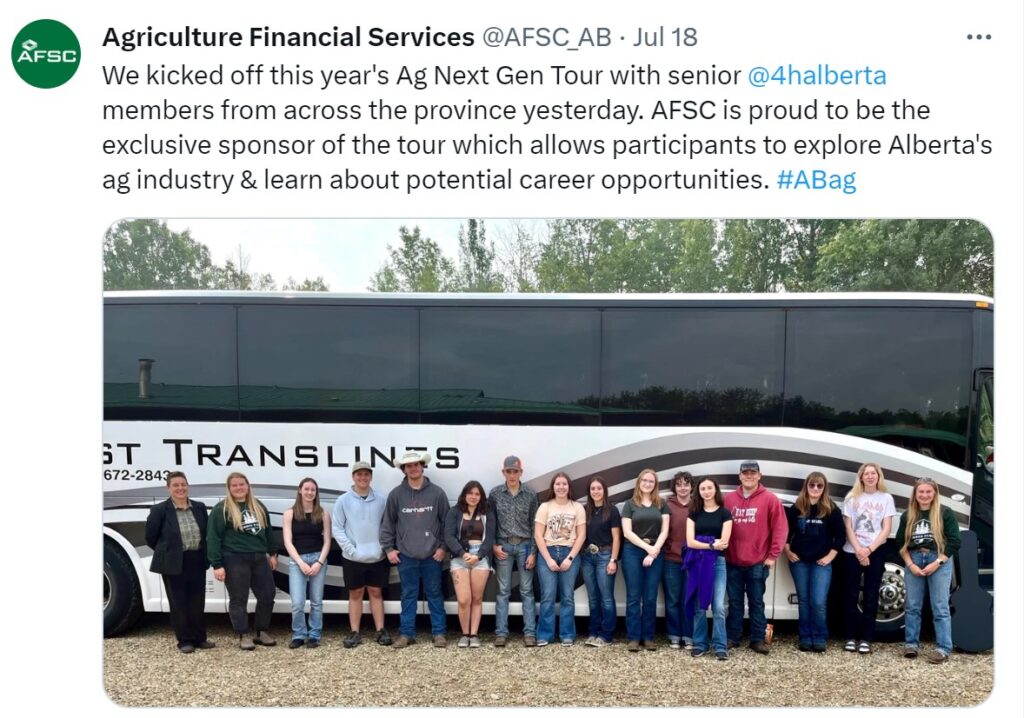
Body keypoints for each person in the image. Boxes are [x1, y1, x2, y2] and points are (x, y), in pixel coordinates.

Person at [380, 450, 450, 649]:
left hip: (432, 555)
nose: (413, 468)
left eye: (416, 464)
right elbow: (388, 525)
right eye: (409, 466)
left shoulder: (437, 493)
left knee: (435, 593)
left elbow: (447, 523)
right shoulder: (396, 495)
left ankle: (439, 633)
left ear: (422, 466)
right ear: (404, 469)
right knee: (408, 594)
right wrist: (389, 549)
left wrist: (443, 547)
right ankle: (406, 633)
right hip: (406, 556)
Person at [144, 471, 215, 654]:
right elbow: (151, 538)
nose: (180, 488)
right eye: (175, 485)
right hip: (173, 562)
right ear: (168, 488)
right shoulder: (159, 510)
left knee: (197, 601)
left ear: (188, 486)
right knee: (178, 603)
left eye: (183, 484)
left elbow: (205, 533)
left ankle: (200, 638)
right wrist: (169, 552)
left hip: (197, 559)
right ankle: (184, 640)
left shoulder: (199, 507)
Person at [207, 472, 279, 650]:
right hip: (234, 558)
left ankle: (261, 631)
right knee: (239, 599)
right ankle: (243, 634)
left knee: (268, 595)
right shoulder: (221, 509)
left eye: (242, 484)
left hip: (259, 557)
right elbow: (213, 538)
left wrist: (273, 553)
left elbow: (268, 531)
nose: (239, 488)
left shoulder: (258, 505)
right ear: (229, 488)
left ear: (248, 486)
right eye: (235, 485)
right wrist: (217, 564)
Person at [724, 460, 787, 655]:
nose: (749, 476)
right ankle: (733, 637)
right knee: (734, 602)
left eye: (753, 473)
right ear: (740, 476)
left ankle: (757, 639)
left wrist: (772, 555)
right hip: (732, 561)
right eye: (745, 473)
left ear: (760, 476)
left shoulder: (770, 499)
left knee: (756, 602)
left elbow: (780, 529)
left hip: (758, 563)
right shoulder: (728, 499)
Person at [897, 477, 961, 664]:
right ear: (915, 494)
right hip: (914, 558)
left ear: (934, 493)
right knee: (912, 606)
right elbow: (900, 543)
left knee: (940, 606)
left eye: (928, 491)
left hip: (938, 558)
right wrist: (911, 565)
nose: (924, 495)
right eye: (921, 492)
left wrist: (937, 563)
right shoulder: (908, 515)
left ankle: (943, 648)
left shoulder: (945, 513)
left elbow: (955, 541)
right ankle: (911, 644)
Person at [331, 461, 392, 648]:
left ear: (371, 477)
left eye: (366, 474)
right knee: (355, 593)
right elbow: (337, 529)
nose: (362, 478)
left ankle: (380, 630)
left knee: (376, 592)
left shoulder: (382, 499)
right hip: (352, 558)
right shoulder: (343, 500)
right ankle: (354, 632)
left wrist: (383, 548)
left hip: (377, 557)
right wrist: (351, 550)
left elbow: (387, 526)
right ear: (353, 477)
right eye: (359, 475)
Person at [784, 471, 845, 652]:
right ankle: (805, 636)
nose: (815, 489)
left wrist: (830, 556)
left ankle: (819, 636)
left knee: (818, 601)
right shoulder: (797, 508)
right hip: (799, 562)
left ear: (824, 488)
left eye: (820, 486)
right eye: (812, 485)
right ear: (806, 486)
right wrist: (787, 551)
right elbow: (786, 533)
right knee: (803, 601)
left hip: (821, 563)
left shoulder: (831, 509)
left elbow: (841, 536)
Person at [841, 462, 897, 654]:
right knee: (850, 595)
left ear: (879, 477)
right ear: (861, 477)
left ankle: (866, 638)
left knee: (872, 595)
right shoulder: (851, 497)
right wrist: (859, 550)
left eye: (874, 473)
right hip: (851, 551)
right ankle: (849, 637)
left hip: (876, 551)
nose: (870, 477)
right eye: (867, 474)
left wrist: (868, 550)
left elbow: (887, 528)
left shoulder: (886, 498)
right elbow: (848, 526)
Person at [489, 455, 539, 647]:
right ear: (503, 472)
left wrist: (534, 552)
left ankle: (529, 633)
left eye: (515, 471)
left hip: (525, 546)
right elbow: (491, 523)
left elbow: (535, 525)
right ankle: (501, 633)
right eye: (508, 471)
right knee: (503, 591)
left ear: (520, 472)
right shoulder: (495, 494)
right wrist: (493, 545)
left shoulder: (530, 494)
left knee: (527, 590)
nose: (512, 475)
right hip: (504, 546)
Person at [534, 471, 587, 647]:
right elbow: (538, 535)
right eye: (558, 484)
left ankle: (567, 634)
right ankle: (544, 634)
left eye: (564, 484)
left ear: (569, 487)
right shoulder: (545, 507)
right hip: (547, 552)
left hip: (569, 553)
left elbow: (581, 536)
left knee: (567, 596)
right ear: (553, 487)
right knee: (547, 596)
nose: (561, 487)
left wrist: (570, 558)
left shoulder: (577, 508)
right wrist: (548, 559)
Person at [620, 468, 670, 651]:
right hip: (632, 552)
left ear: (655, 484)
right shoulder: (629, 505)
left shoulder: (662, 504)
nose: (647, 484)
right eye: (644, 481)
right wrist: (648, 548)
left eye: (651, 481)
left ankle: (648, 637)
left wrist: (654, 550)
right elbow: (627, 532)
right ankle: (633, 637)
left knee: (650, 597)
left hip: (656, 552)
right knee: (634, 596)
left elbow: (665, 530)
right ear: (639, 483)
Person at [685, 477, 732, 660]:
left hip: (718, 563)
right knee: (699, 606)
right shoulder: (693, 514)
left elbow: (724, 543)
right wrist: (712, 545)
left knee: (718, 606)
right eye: (702, 488)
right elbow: (690, 542)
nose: (706, 491)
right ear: (699, 492)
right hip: (697, 563)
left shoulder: (725, 514)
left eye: (709, 487)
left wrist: (704, 542)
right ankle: (700, 644)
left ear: (715, 490)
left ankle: (720, 646)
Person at [444, 480, 496, 647]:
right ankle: (464, 633)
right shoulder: (454, 512)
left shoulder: (488, 513)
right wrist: (462, 553)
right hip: (460, 558)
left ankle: (473, 634)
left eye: (477, 494)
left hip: (480, 558)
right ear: (464, 494)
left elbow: (489, 538)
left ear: (481, 497)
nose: (473, 497)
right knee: (464, 599)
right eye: (471, 493)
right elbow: (449, 536)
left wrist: (479, 555)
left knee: (476, 598)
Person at [282, 477, 331, 649]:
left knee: (317, 601)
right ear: (300, 490)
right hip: (298, 561)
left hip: (318, 558)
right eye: (307, 489)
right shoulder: (289, 514)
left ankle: (314, 635)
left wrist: (319, 562)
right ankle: (299, 634)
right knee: (297, 602)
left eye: (313, 490)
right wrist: (300, 562)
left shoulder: (323, 513)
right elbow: (288, 541)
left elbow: (327, 541)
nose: (310, 492)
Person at [581, 476, 621, 647]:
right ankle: (593, 632)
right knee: (593, 597)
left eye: (598, 488)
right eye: (592, 489)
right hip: (588, 557)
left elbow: (617, 537)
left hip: (605, 555)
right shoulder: (585, 510)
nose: (595, 491)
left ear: (604, 490)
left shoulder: (611, 510)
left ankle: (606, 635)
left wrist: (613, 559)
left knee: (606, 597)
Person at [662, 471, 695, 649]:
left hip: (692, 560)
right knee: (672, 599)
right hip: (670, 559)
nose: (683, 488)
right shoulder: (667, 505)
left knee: (688, 599)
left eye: (686, 484)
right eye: (679, 484)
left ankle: (689, 635)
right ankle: (674, 634)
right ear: (674, 487)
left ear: (691, 487)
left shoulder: (697, 505)